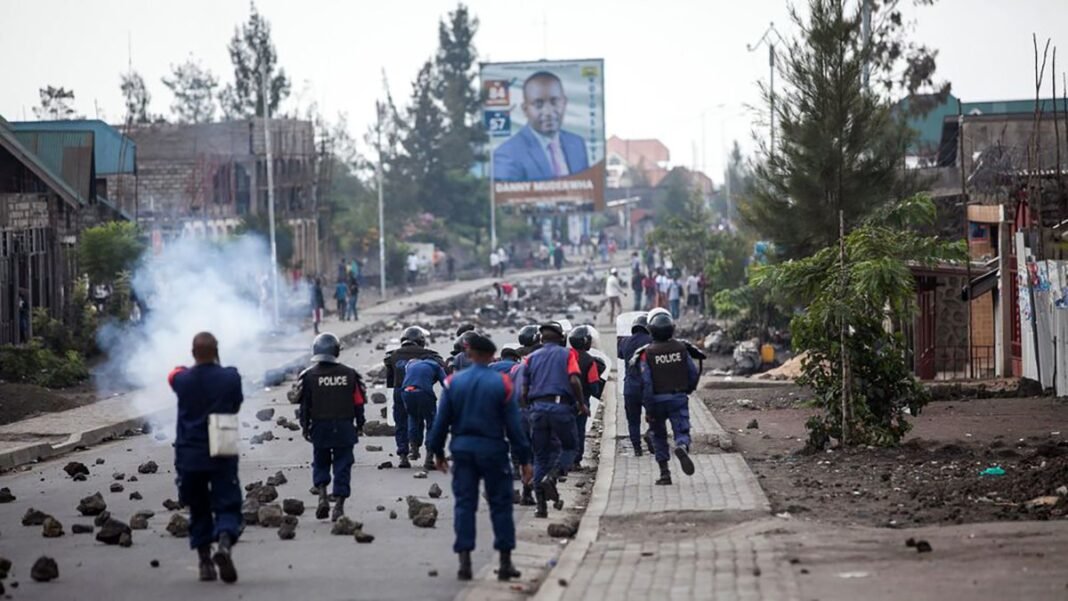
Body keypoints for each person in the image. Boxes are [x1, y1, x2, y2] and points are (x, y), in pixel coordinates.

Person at [428, 333, 533, 582]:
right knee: (500, 504)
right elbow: (514, 427)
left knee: (465, 503)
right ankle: (505, 562)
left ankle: (465, 561)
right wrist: (525, 459)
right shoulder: (502, 384)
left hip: (462, 449)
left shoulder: (453, 383)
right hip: (494, 450)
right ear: (490, 356)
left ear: (470, 354)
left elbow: (440, 423)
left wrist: (438, 453)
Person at [168, 332, 242, 583]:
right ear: (217, 351)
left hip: (190, 455)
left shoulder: (183, 380)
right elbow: (235, 404)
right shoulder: (230, 377)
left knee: (198, 507)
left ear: (193, 353)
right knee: (227, 502)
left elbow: (173, 374)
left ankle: (204, 563)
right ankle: (223, 543)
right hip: (221, 451)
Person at [298, 333, 366, 521]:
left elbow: (304, 406)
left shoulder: (308, 376)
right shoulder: (350, 374)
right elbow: (359, 403)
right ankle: (339, 507)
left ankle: (322, 496)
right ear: (336, 350)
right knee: (343, 465)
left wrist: (305, 427)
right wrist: (360, 424)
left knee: (320, 462)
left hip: (320, 427)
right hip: (344, 427)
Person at [521, 322, 586, 518]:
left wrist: (529, 408)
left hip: (537, 409)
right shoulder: (567, 355)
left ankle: (541, 507)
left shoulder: (529, 359)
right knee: (569, 447)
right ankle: (554, 475)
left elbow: (523, 389)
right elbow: (574, 380)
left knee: (540, 456)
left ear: (541, 339)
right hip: (560, 408)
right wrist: (581, 403)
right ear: (560, 339)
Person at [634, 312, 701, 485]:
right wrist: (688, 390)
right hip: (678, 397)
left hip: (656, 401)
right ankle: (682, 446)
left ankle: (665, 474)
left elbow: (646, 382)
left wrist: (648, 409)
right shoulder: (681, 349)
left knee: (658, 436)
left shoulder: (647, 353)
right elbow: (693, 373)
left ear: (652, 331)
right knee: (682, 428)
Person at [493, 71, 589, 182]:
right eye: (538, 104)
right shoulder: (507, 154)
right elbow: (506, 197)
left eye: (554, 102)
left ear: (564, 103)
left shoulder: (577, 144)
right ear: (525, 109)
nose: (548, 112)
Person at [384, 326, 445, 468]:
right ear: (420, 341)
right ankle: (429, 455)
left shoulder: (392, 356)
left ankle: (403, 456)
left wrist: (389, 403)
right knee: (429, 421)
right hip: (423, 390)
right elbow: (442, 369)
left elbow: (389, 380)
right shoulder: (429, 355)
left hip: (399, 391)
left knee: (402, 423)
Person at [401, 353, 448, 471]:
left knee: (413, 417)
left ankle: (414, 447)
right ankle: (429, 458)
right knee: (432, 422)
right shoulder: (436, 366)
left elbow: (403, 369)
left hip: (406, 391)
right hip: (424, 393)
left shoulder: (412, 364)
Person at [567, 325, 605, 470]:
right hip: (581, 403)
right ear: (584, 342)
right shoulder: (589, 361)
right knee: (579, 431)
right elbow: (594, 385)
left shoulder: (564, 355)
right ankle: (575, 461)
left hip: (562, 401)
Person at [618, 314, 653, 457]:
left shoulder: (625, 341)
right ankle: (651, 435)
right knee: (656, 415)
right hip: (648, 387)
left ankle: (637, 449)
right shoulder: (652, 341)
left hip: (630, 387)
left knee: (633, 420)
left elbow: (620, 354)